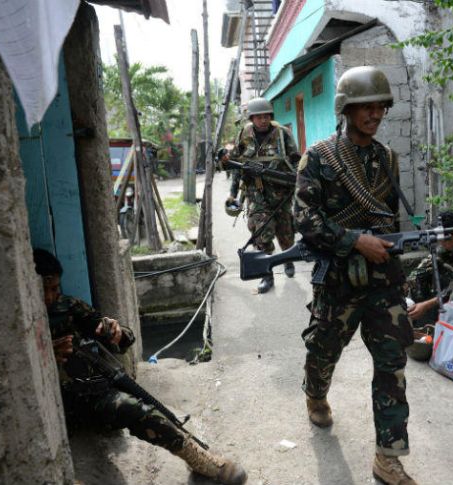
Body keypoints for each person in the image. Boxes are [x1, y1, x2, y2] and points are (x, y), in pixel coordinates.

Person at [293, 66, 417, 485]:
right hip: (338, 280)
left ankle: (388, 455)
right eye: (366, 105)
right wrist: (353, 240)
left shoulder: (388, 161)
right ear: (347, 108)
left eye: (381, 105)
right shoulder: (320, 158)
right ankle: (315, 393)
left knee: (392, 364)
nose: (375, 113)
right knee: (323, 352)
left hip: (382, 282)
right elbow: (304, 219)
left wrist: (391, 254)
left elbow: (389, 220)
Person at [32, 248, 247, 485]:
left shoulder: (67, 307)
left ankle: (204, 463)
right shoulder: (16, 334)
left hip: (87, 398)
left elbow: (119, 335)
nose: (51, 298)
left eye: (54, 289)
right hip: (46, 414)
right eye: (44, 290)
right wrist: (46, 356)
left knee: (140, 410)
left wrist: (116, 332)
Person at [227, 97, 301, 294]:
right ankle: (266, 275)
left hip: (282, 193)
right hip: (256, 193)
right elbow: (235, 166)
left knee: (286, 233)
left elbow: (296, 161)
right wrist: (232, 194)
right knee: (261, 233)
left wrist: (297, 182)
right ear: (252, 118)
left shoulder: (283, 134)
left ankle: (287, 260)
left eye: (266, 116)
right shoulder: (244, 135)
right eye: (259, 117)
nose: (263, 120)